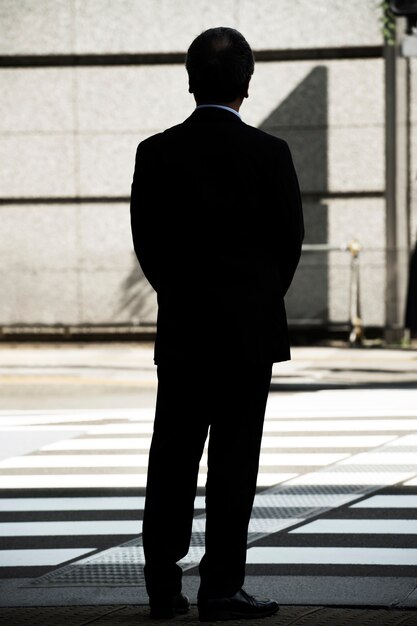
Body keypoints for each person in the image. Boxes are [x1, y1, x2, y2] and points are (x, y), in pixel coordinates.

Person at [130, 26, 304, 622]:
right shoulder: (271, 153)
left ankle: (161, 586)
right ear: (247, 83)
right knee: (234, 461)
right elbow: (289, 243)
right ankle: (222, 588)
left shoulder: (155, 152)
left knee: (172, 457)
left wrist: (179, 295)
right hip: (249, 332)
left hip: (183, 328)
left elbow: (146, 243)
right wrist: (256, 300)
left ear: (189, 78)